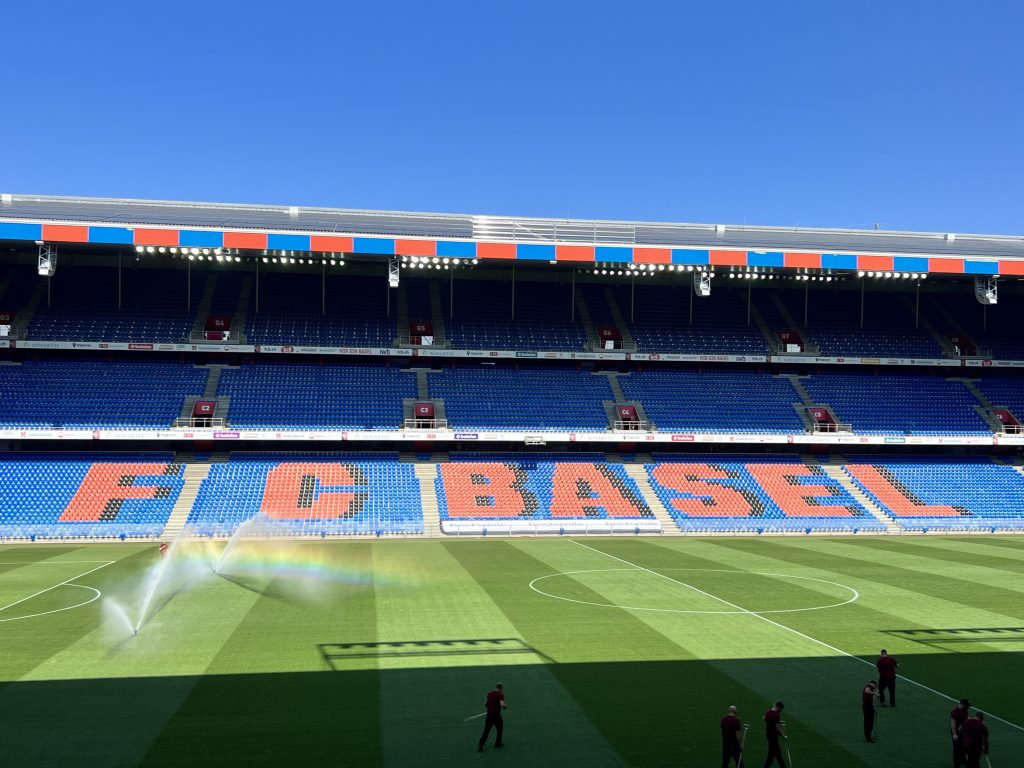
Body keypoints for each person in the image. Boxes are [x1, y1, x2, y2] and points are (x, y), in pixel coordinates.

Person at [477, 682, 506, 752]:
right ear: (501, 688)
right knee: (499, 729)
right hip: (496, 716)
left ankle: (481, 744)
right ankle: (498, 743)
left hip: (489, 715)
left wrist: (491, 708)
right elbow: (502, 704)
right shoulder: (500, 695)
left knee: (486, 730)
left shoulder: (489, 694)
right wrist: (505, 706)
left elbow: (485, 704)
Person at [762, 701, 787, 768]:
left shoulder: (768, 712)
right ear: (778, 707)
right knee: (778, 755)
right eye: (781, 709)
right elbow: (778, 729)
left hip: (768, 736)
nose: (781, 711)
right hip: (773, 738)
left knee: (771, 755)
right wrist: (783, 736)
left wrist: (778, 722)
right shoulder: (776, 715)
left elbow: (764, 718)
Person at [950, 698, 970, 768]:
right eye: (966, 705)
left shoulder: (964, 710)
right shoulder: (955, 712)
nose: (968, 707)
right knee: (956, 748)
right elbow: (953, 724)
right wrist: (954, 734)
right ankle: (956, 764)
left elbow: (966, 719)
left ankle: (963, 760)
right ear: (963, 705)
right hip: (956, 731)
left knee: (964, 746)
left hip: (963, 731)